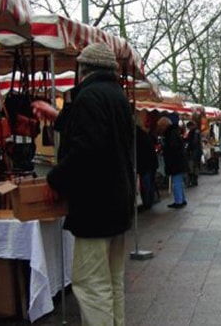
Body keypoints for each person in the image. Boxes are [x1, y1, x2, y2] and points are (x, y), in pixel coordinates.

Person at [31, 42, 135, 325]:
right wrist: (58, 116)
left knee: (90, 283)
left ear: (83, 69)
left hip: (96, 206)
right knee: (112, 282)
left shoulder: (89, 97)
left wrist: (55, 178)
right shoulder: (117, 96)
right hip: (118, 204)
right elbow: (101, 134)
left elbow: (86, 150)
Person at [157, 116, 187, 208]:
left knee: (176, 181)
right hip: (179, 161)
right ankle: (182, 199)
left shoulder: (170, 134)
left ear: (164, 126)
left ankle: (179, 201)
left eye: (160, 126)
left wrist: (164, 149)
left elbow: (172, 148)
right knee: (179, 181)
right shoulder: (175, 132)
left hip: (175, 162)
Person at [136, 123, 159, 210]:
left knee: (146, 183)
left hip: (145, 164)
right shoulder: (147, 136)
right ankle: (149, 201)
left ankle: (146, 202)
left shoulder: (139, 137)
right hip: (151, 163)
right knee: (149, 182)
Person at [184, 120, 202, 187]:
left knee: (191, 166)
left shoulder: (194, 132)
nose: (188, 129)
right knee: (195, 166)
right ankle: (194, 180)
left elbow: (193, 142)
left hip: (193, 152)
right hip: (197, 152)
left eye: (189, 127)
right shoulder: (196, 132)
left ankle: (192, 180)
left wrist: (189, 149)